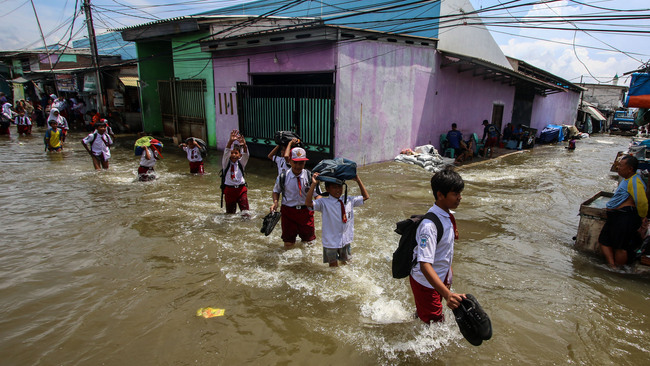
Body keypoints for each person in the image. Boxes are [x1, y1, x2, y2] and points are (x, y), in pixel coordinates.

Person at [410, 166, 466, 323]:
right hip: (426, 282)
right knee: (435, 323)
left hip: (441, 277)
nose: (460, 197)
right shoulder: (429, 226)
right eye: (455, 194)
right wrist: (448, 295)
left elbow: (444, 250)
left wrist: (448, 278)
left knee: (428, 313)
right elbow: (424, 265)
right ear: (440, 195)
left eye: (460, 193)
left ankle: (418, 316)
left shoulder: (447, 216)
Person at [305, 172, 370, 267]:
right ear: (327, 189)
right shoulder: (324, 202)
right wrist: (314, 184)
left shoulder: (348, 200)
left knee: (347, 264)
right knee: (333, 268)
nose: (338, 190)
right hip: (330, 242)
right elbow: (308, 203)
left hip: (345, 239)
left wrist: (358, 180)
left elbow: (366, 197)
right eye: (334, 187)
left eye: (340, 187)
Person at [598, 155, 648, 268]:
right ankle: (612, 265)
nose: (618, 168)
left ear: (630, 169)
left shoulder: (635, 182)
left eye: (621, 166)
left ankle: (618, 270)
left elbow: (642, 202)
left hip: (625, 217)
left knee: (620, 246)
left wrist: (642, 217)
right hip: (616, 217)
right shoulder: (627, 180)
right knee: (604, 240)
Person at [270, 139, 316, 248]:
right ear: (289, 161)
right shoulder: (283, 176)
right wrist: (275, 202)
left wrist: (324, 205)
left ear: (305, 162)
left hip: (306, 212)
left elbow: (317, 195)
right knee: (288, 243)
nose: (298, 166)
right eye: (295, 162)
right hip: (288, 212)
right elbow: (276, 191)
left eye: (301, 163)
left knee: (309, 243)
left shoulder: (310, 176)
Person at [222, 130, 249, 215]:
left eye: (236, 153)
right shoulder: (225, 163)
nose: (233, 155)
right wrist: (230, 141)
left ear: (239, 155)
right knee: (230, 214)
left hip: (241, 190)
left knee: (246, 213)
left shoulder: (241, 163)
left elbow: (246, 154)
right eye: (232, 153)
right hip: (229, 190)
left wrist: (244, 145)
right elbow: (226, 151)